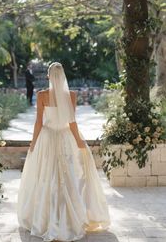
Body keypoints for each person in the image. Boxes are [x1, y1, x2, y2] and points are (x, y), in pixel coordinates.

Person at [17, 62, 110, 241]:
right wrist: (80, 143)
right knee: (68, 178)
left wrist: (33, 143)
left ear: (49, 76)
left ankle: (45, 219)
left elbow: (38, 123)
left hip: (47, 138)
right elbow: (72, 123)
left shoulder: (42, 95)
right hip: (66, 137)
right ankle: (68, 218)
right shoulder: (72, 96)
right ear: (64, 76)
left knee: (46, 176)